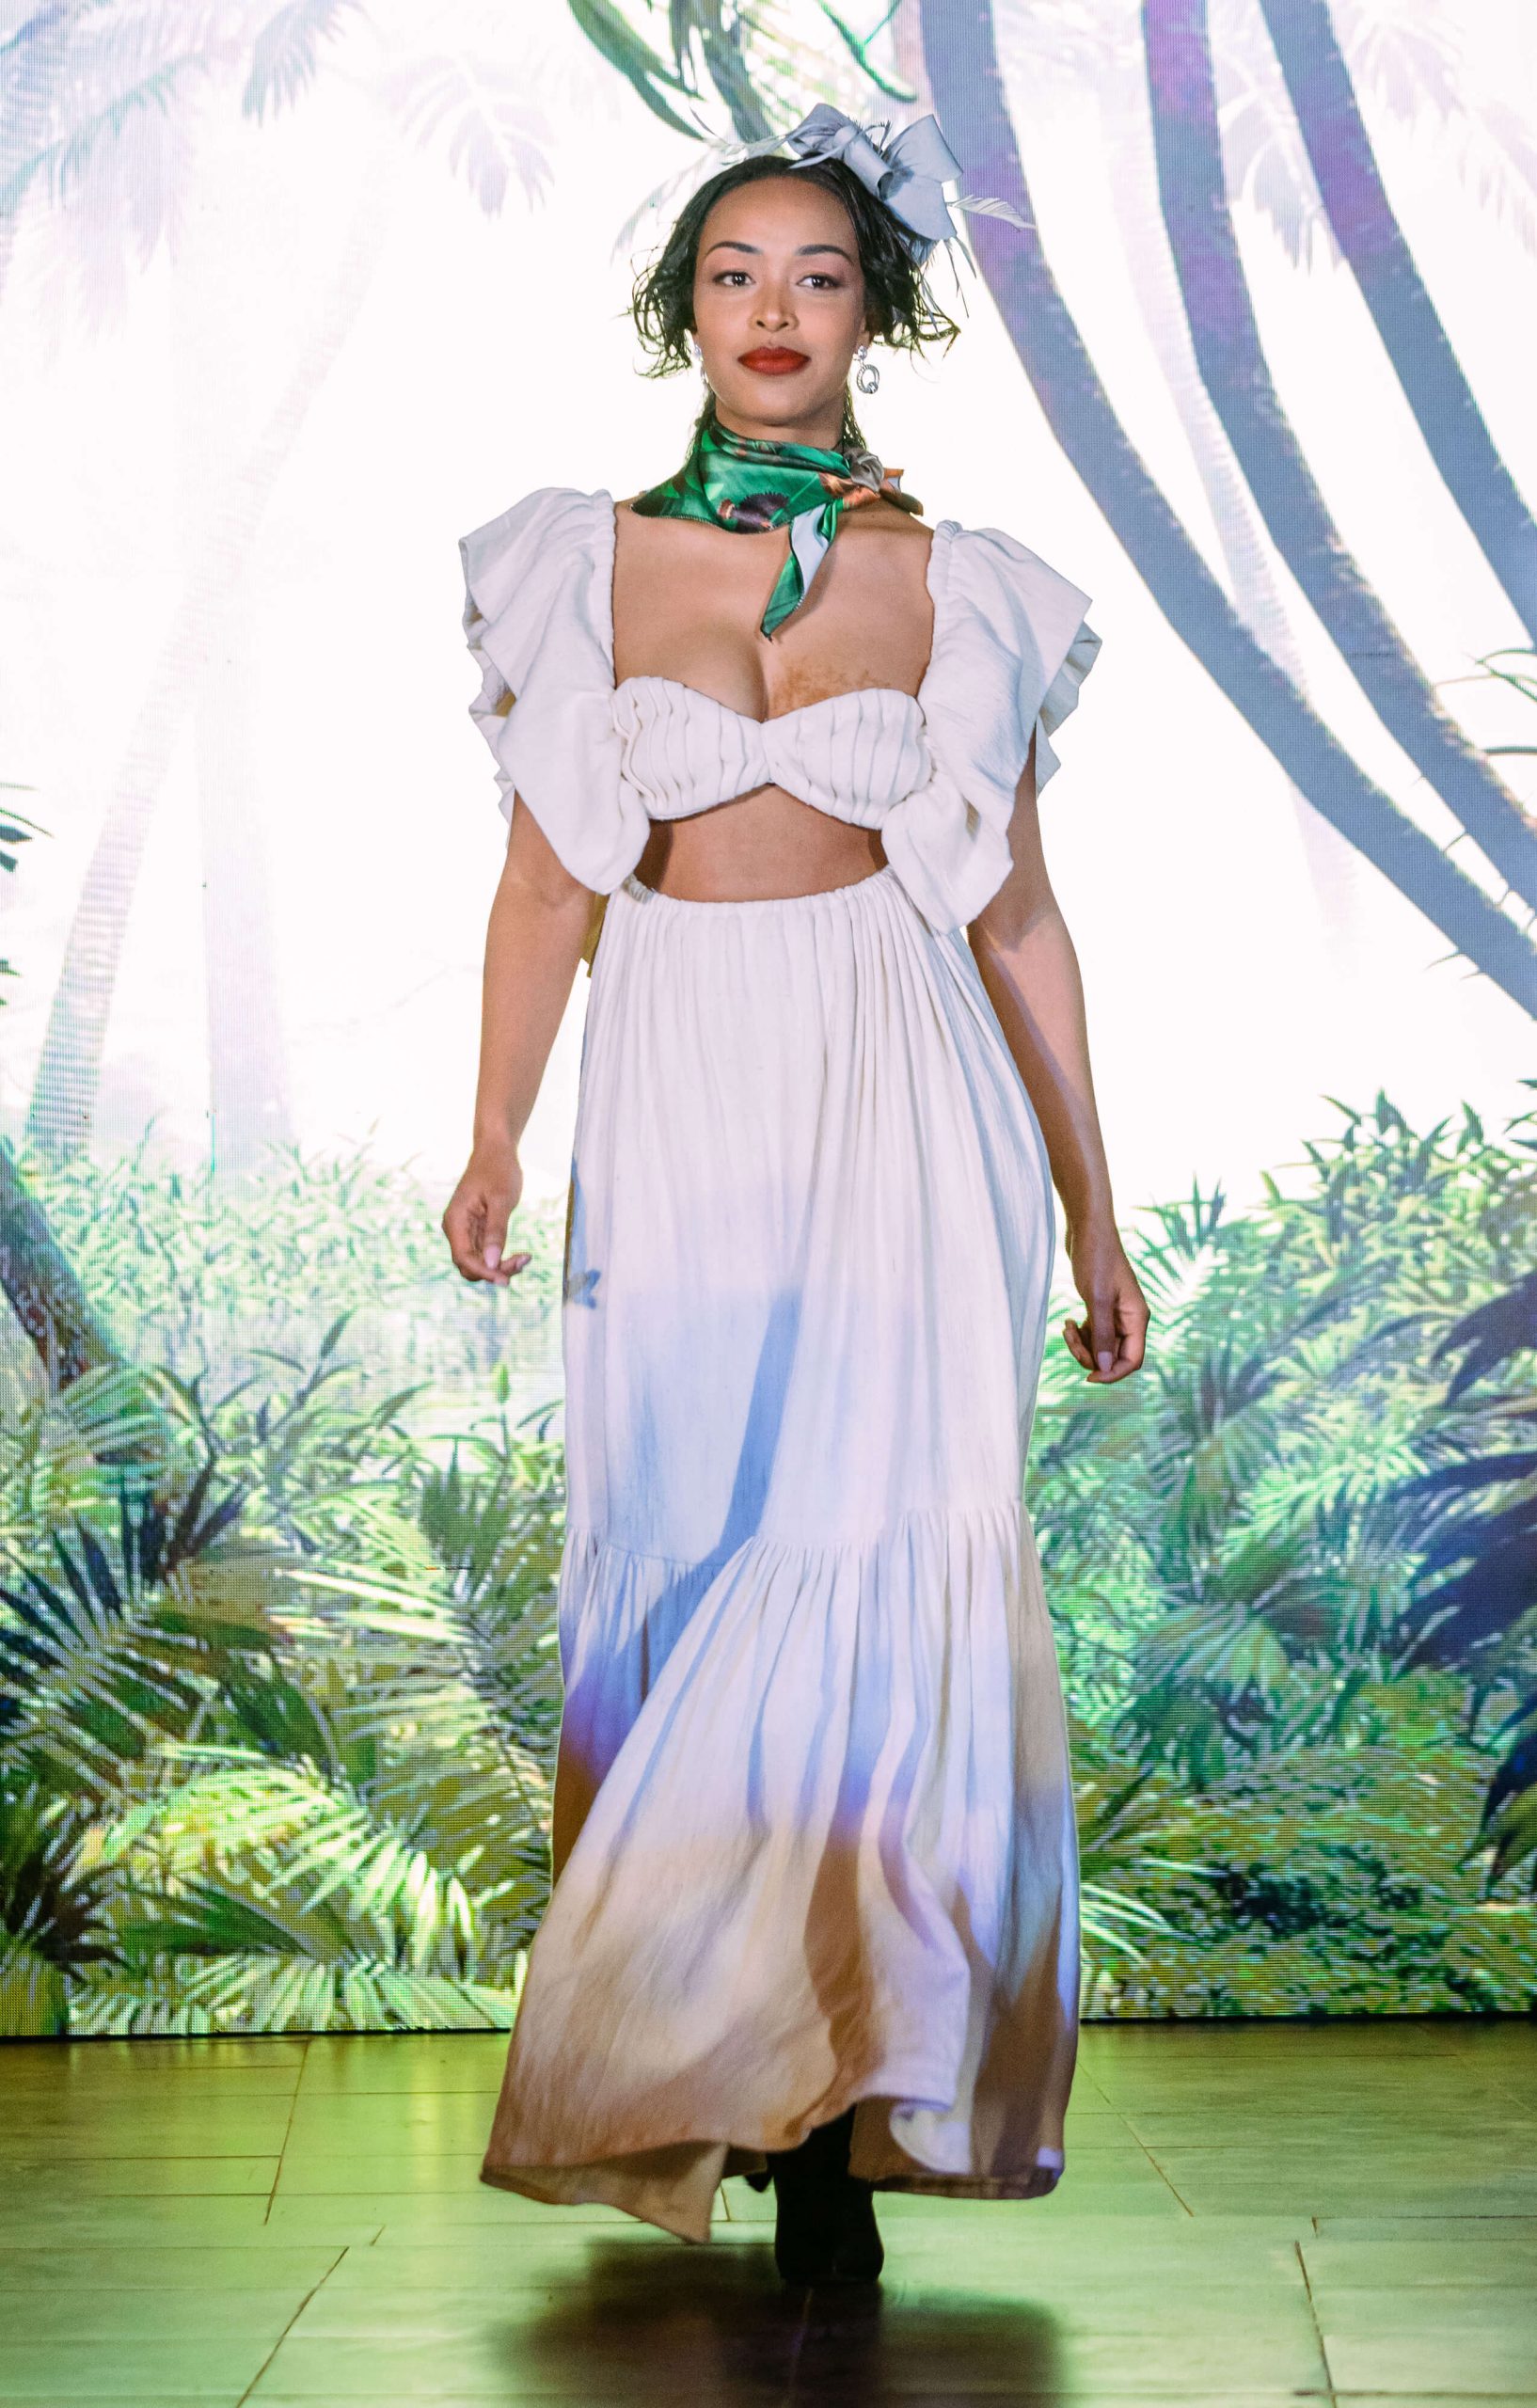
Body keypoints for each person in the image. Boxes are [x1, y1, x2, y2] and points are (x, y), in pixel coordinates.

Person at [442, 105, 1149, 2289]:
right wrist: (492, 1129)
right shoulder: (582, 562)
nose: (775, 310)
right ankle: (709, 2055)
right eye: (735, 273)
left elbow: (1014, 915)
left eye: (819, 275)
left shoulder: (961, 585)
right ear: (684, 308)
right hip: (677, 1094)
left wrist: (1093, 1207)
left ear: (874, 313)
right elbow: (546, 887)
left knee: (877, 1548)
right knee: (695, 1557)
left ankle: (838, 2101)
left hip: (898, 1100)